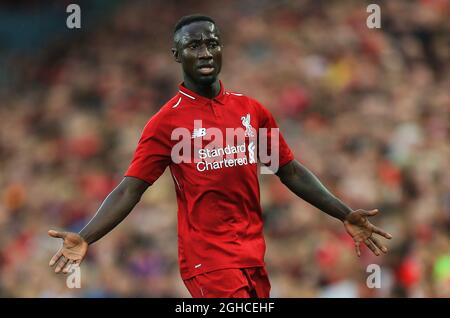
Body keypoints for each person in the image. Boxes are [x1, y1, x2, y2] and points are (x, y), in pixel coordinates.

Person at [48, 14, 392, 298]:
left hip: (253, 255)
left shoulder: (250, 110)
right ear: (176, 55)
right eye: (193, 46)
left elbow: (289, 171)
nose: (205, 53)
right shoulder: (166, 122)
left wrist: (344, 213)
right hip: (209, 262)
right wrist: (86, 235)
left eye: (212, 43)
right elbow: (130, 189)